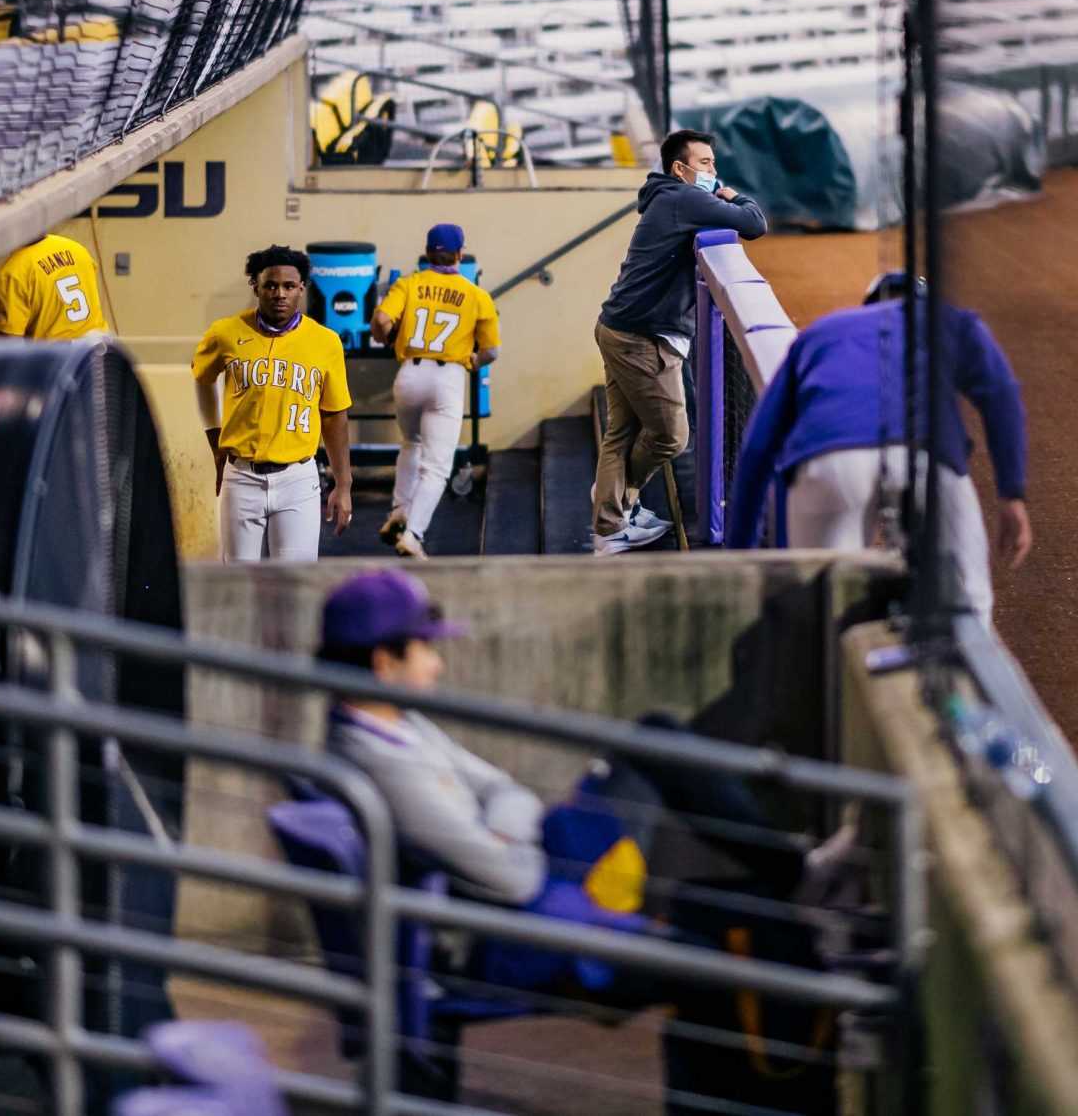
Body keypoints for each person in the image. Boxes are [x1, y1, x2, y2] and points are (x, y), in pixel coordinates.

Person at [317, 569, 860, 1006]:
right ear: (385, 663)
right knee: (706, 944)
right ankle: (811, 936)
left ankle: (798, 877)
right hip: (535, 911)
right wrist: (507, 833)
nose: (437, 664)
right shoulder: (376, 761)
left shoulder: (399, 723)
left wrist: (500, 829)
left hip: (548, 855)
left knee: (655, 736)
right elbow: (511, 880)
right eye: (426, 649)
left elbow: (507, 791)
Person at [725, 272, 1031, 619]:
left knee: (823, 607)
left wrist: (738, 557)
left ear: (868, 304)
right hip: (928, 456)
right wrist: (1012, 494)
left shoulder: (823, 332)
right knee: (969, 600)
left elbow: (758, 448)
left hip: (832, 461)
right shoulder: (948, 320)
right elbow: (1002, 394)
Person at [592, 129, 768, 555]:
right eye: (705, 163)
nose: (712, 171)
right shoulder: (684, 198)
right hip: (641, 337)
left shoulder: (666, 197)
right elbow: (754, 224)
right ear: (680, 168)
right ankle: (611, 514)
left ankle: (613, 513)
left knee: (622, 432)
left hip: (620, 326)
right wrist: (734, 196)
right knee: (672, 436)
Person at [193, 245, 355, 561]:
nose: (279, 293)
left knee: (294, 583)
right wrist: (215, 439)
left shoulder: (325, 342)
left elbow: (335, 416)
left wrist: (343, 484)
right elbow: (202, 378)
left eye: (289, 286)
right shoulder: (225, 333)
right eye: (270, 285)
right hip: (241, 477)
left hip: (298, 477)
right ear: (255, 286)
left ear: (301, 289)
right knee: (239, 584)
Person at [370, 222, 501, 560]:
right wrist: (473, 360)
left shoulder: (409, 283)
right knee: (437, 467)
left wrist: (386, 338)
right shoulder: (476, 295)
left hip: (409, 374)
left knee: (410, 444)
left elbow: (381, 321)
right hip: (448, 378)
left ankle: (399, 511)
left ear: (427, 253)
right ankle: (413, 534)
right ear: (459, 254)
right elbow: (491, 352)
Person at [0, 231, 111, 340]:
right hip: (101, 350)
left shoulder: (12, 273)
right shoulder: (77, 249)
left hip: (61, 363)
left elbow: (8, 341)